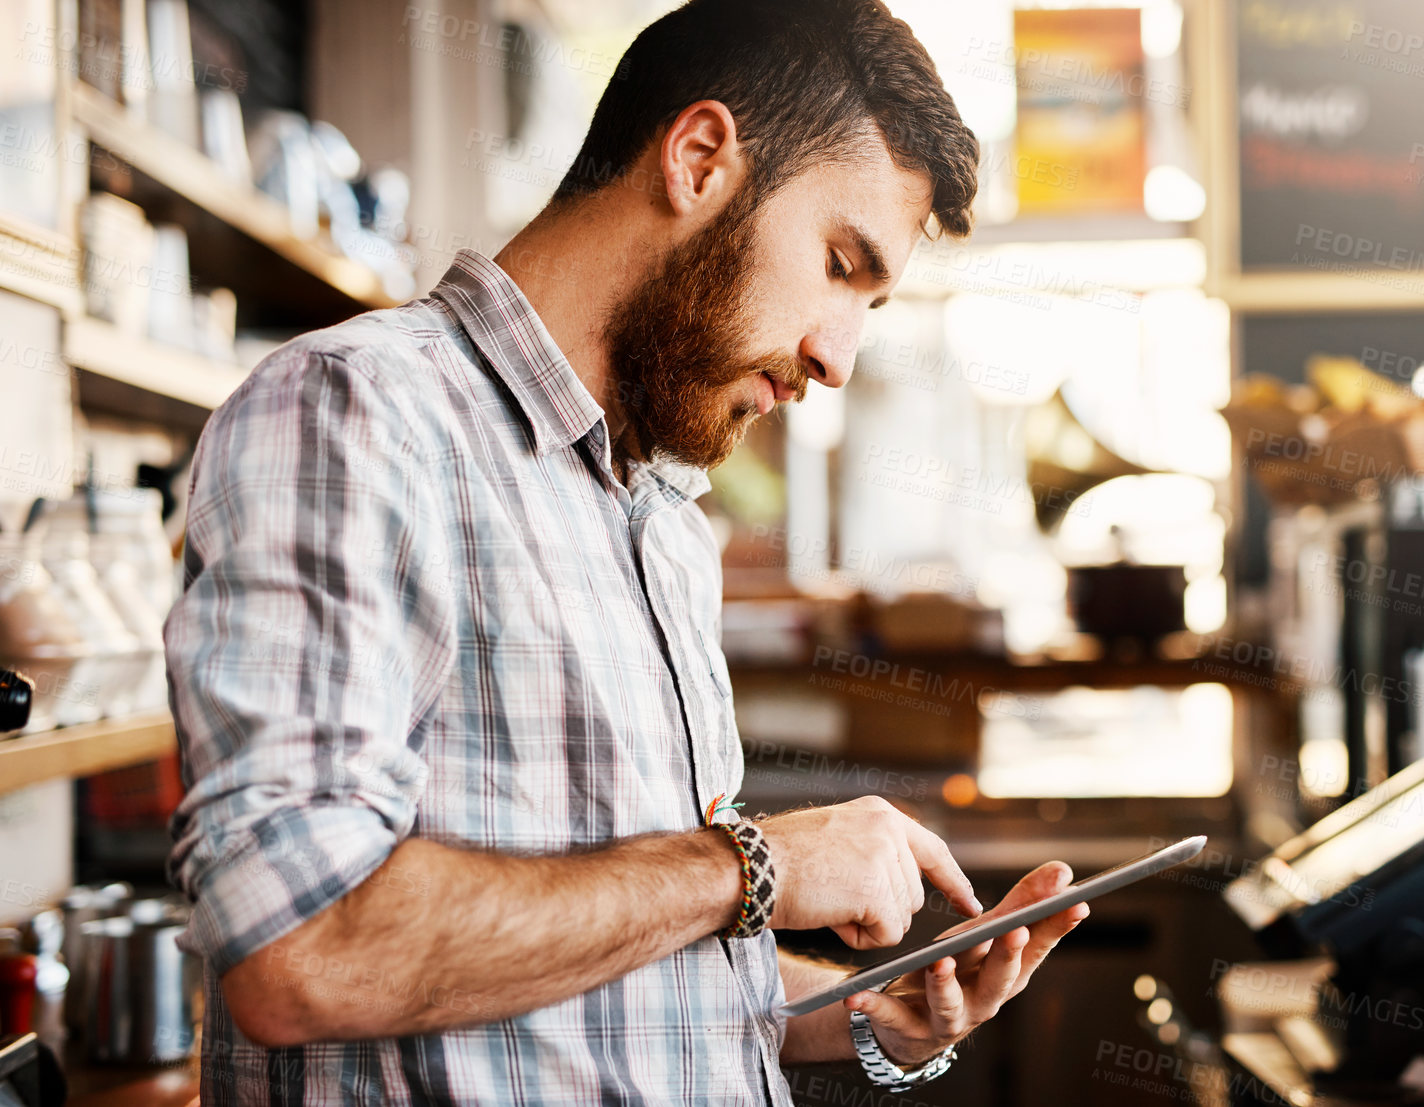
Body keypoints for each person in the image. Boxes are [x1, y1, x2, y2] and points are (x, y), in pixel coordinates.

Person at [164, 0, 1088, 1102]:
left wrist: (864, 1011)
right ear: (699, 158)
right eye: (840, 262)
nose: (837, 357)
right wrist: (765, 866)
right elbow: (300, 947)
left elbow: (622, 966)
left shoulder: (658, 516)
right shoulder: (356, 414)